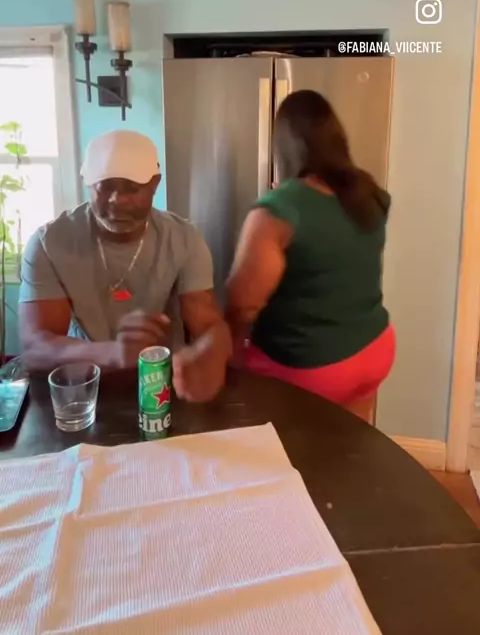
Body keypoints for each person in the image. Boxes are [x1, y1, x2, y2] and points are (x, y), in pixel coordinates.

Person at [19, 129, 231, 402]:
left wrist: (209, 356)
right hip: (87, 390)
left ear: (155, 183)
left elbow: (210, 326)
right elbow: (35, 347)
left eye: (132, 188)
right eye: (104, 186)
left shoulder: (184, 239)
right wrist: (113, 353)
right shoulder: (49, 243)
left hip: (164, 389)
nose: (117, 200)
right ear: (86, 181)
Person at [226, 90, 395, 422]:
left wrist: (228, 354)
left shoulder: (278, 210)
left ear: (283, 147)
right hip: (374, 349)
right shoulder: (366, 190)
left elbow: (243, 305)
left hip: (307, 368)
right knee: (348, 444)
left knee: (286, 450)